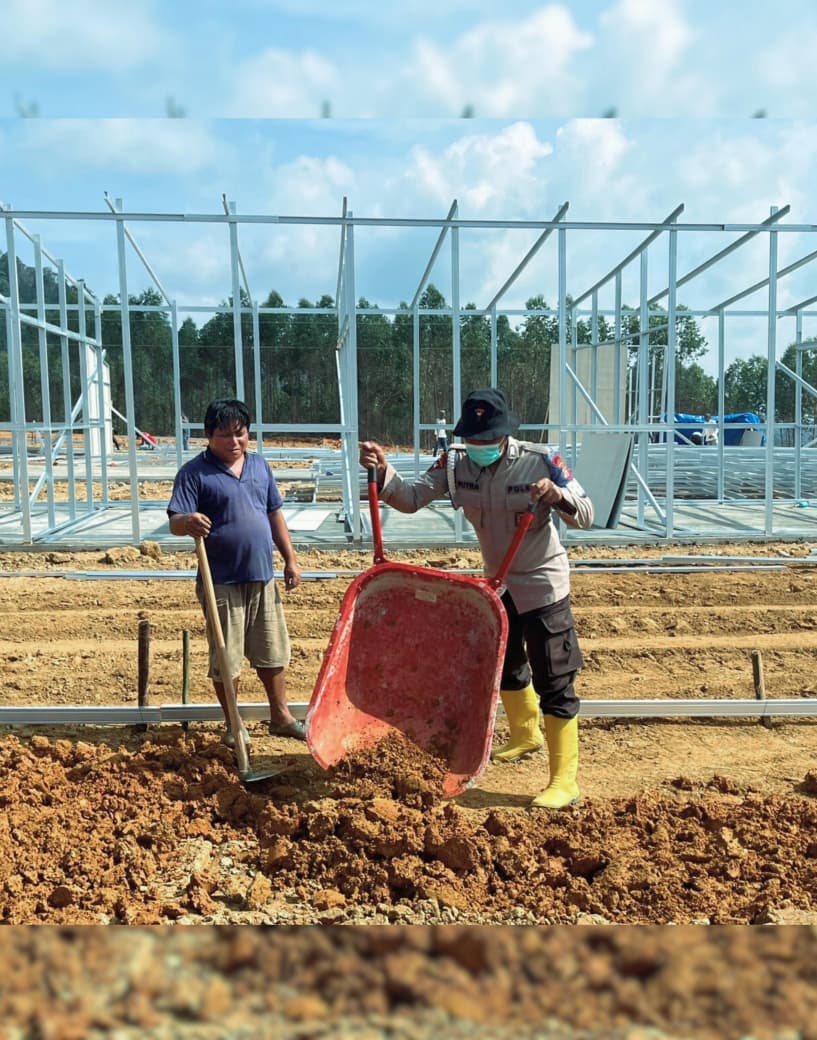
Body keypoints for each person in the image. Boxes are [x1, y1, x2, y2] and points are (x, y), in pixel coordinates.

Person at [360, 387, 594, 809]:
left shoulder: (543, 461)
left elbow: (588, 514)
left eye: (488, 439)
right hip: (497, 584)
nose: (479, 446)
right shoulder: (453, 465)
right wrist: (383, 470)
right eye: (472, 438)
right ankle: (525, 735)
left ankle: (564, 780)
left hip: (542, 584)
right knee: (503, 664)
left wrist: (557, 496)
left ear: (505, 434)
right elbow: (411, 499)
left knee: (554, 677)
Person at [167, 398, 305, 745]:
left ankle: (281, 717)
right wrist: (187, 521)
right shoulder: (194, 473)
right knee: (227, 658)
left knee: (272, 651)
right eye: (225, 435)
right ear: (208, 435)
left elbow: (274, 513)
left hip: (262, 575)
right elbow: (174, 522)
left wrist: (290, 559)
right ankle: (234, 725)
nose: (234, 442)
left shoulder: (259, 466)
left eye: (240, 433)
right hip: (221, 581)